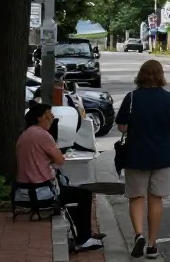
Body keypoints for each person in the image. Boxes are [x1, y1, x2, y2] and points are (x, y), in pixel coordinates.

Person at [116, 59, 170, 259]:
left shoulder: (131, 98)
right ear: (161, 75)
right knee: (156, 199)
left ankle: (139, 234)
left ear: (141, 75)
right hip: (162, 156)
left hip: (135, 155)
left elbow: (121, 126)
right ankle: (152, 245)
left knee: (136, 197)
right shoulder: (169, 98)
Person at [16, 103, 105, 251]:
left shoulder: (25, 134)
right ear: (40, 118)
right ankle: (84, 239)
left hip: (24, 189)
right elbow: (60, 160)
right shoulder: (43, 135)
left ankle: (84, 233)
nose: (52, 119)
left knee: (72, 191)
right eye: (49, 116)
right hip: (41, 191)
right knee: (83, 194)